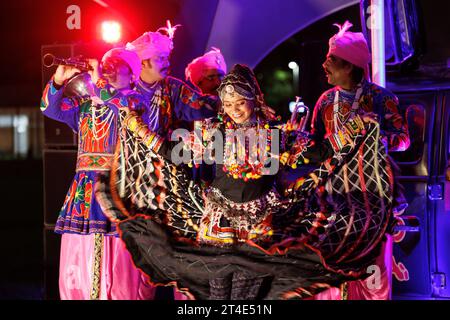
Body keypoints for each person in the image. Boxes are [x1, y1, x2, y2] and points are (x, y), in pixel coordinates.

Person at [95, 63, 398, 300]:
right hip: (217, 220)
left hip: (260, 222)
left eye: (239, 102)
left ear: (253, 99)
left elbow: (319, 153)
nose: (233, 109)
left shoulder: (274, 136)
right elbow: (173, 154)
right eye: (227, 104)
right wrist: (137, 127)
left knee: (251, 289)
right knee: (216, 288)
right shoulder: (214, 135)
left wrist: (356, 128)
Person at [40, 47, 156, 300]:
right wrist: (59, 79)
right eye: (106, 64)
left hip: (120, 187)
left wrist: (99, 80)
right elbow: (48, 108)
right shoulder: (84, 105)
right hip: (85, 189)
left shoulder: (136, 101)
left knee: (119, 260)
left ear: (133, 74)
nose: (108, 68)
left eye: (117, 64)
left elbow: (119, 105)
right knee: (81, 252)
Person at [309, 21, 410, 300]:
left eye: (331, 60)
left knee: (372, 271)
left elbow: (403, 139)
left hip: (373, 197)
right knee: (331, 269)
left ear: (349, 66)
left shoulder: (381, 99)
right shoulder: (325, 102)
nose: (324, 65)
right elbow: (315, 145)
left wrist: (375, 138)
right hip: (333, 198)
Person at [185, 47, 228, 185]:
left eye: (221, 76)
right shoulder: (187, 108)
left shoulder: (234, 106)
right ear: (199, 82)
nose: (217, 82)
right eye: (211, 77)